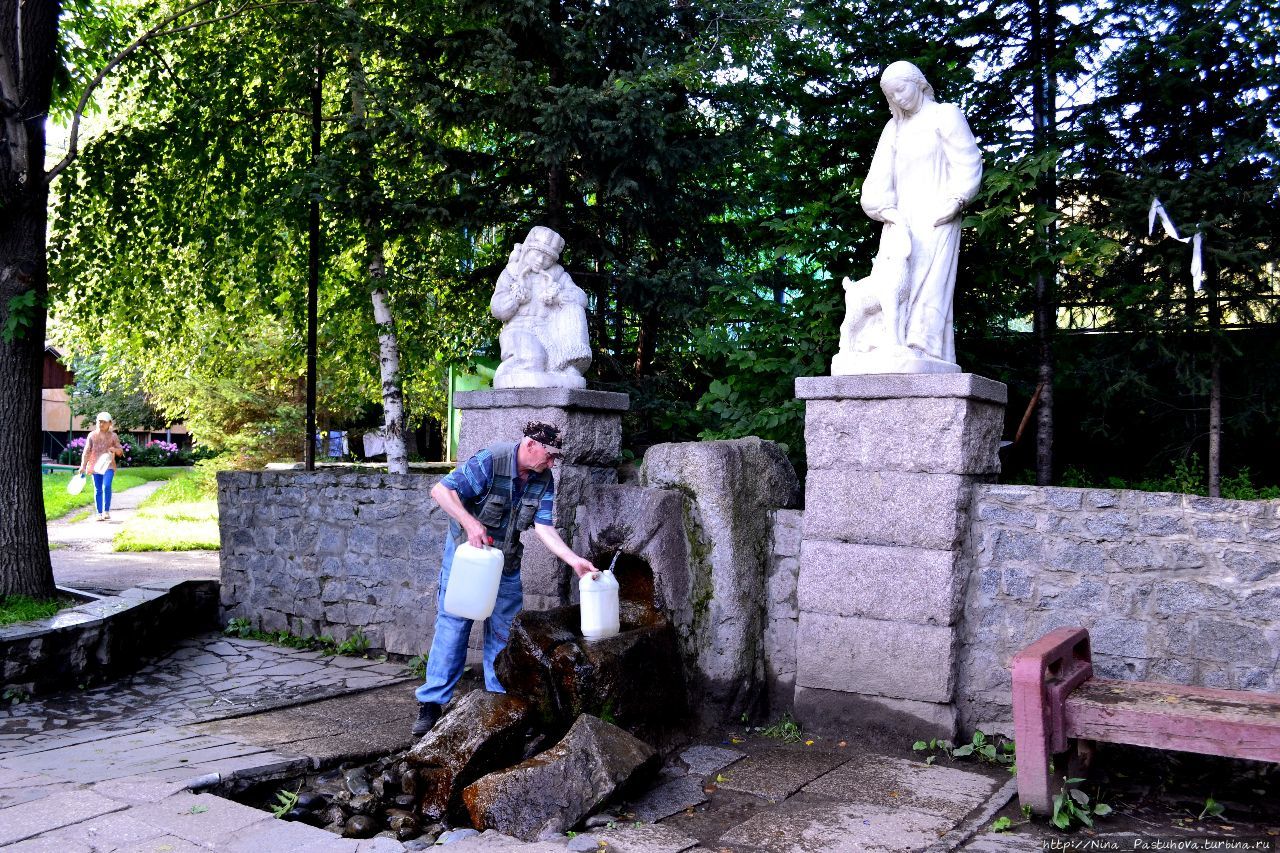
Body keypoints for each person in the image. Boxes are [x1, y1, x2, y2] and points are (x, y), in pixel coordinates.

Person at [412, 420, 597, 736]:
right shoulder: (491, 460)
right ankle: (431, 704)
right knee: (453, 628)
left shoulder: (543, 479)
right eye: (550, 455)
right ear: (530, 445)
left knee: (504, 634)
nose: (552, 462)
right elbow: (441, 490)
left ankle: (499, 704)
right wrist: (470, 524)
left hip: (506, 564)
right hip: (468, 561)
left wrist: (574, 560)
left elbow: (544, 527)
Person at [858, 60, 983, 367]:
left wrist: (956, 200)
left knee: (929, 282)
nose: (898, 99)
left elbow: (968, 161)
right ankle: (890, 343)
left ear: (917, 82)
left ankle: (923, 347)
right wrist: (885, 210)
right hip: (899, 220)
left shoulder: (945, 116)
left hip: (937, 215)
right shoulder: (893, 129)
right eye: (891, 95)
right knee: (892, 283)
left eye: (901, 90)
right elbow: (877, 180)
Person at [490, 226, 592, 389]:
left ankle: (569, 366)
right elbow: (497, 309)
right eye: (537, 254)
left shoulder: (557, 275)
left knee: (574, 309)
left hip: (549, 330)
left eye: (547, 258)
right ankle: (511, 372)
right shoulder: (512, 273)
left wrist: (558, 296)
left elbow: (581, 298)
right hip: (520, 329)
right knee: (533, 359)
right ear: (527, 250)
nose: (540, 261)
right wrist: (515, 299)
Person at [79, 411, 124, 521]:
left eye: (104, 422)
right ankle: (99, 513)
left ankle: (106, 511)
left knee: (106, 486)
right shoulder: (92, 435)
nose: (101, 424)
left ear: (109, 423)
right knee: (98, 489)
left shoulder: (113, 436)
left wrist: (115, 450)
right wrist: (83, 466)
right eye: (99, 422)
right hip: (95, 466)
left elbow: (120, 452)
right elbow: (86, 451)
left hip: (108, 465)